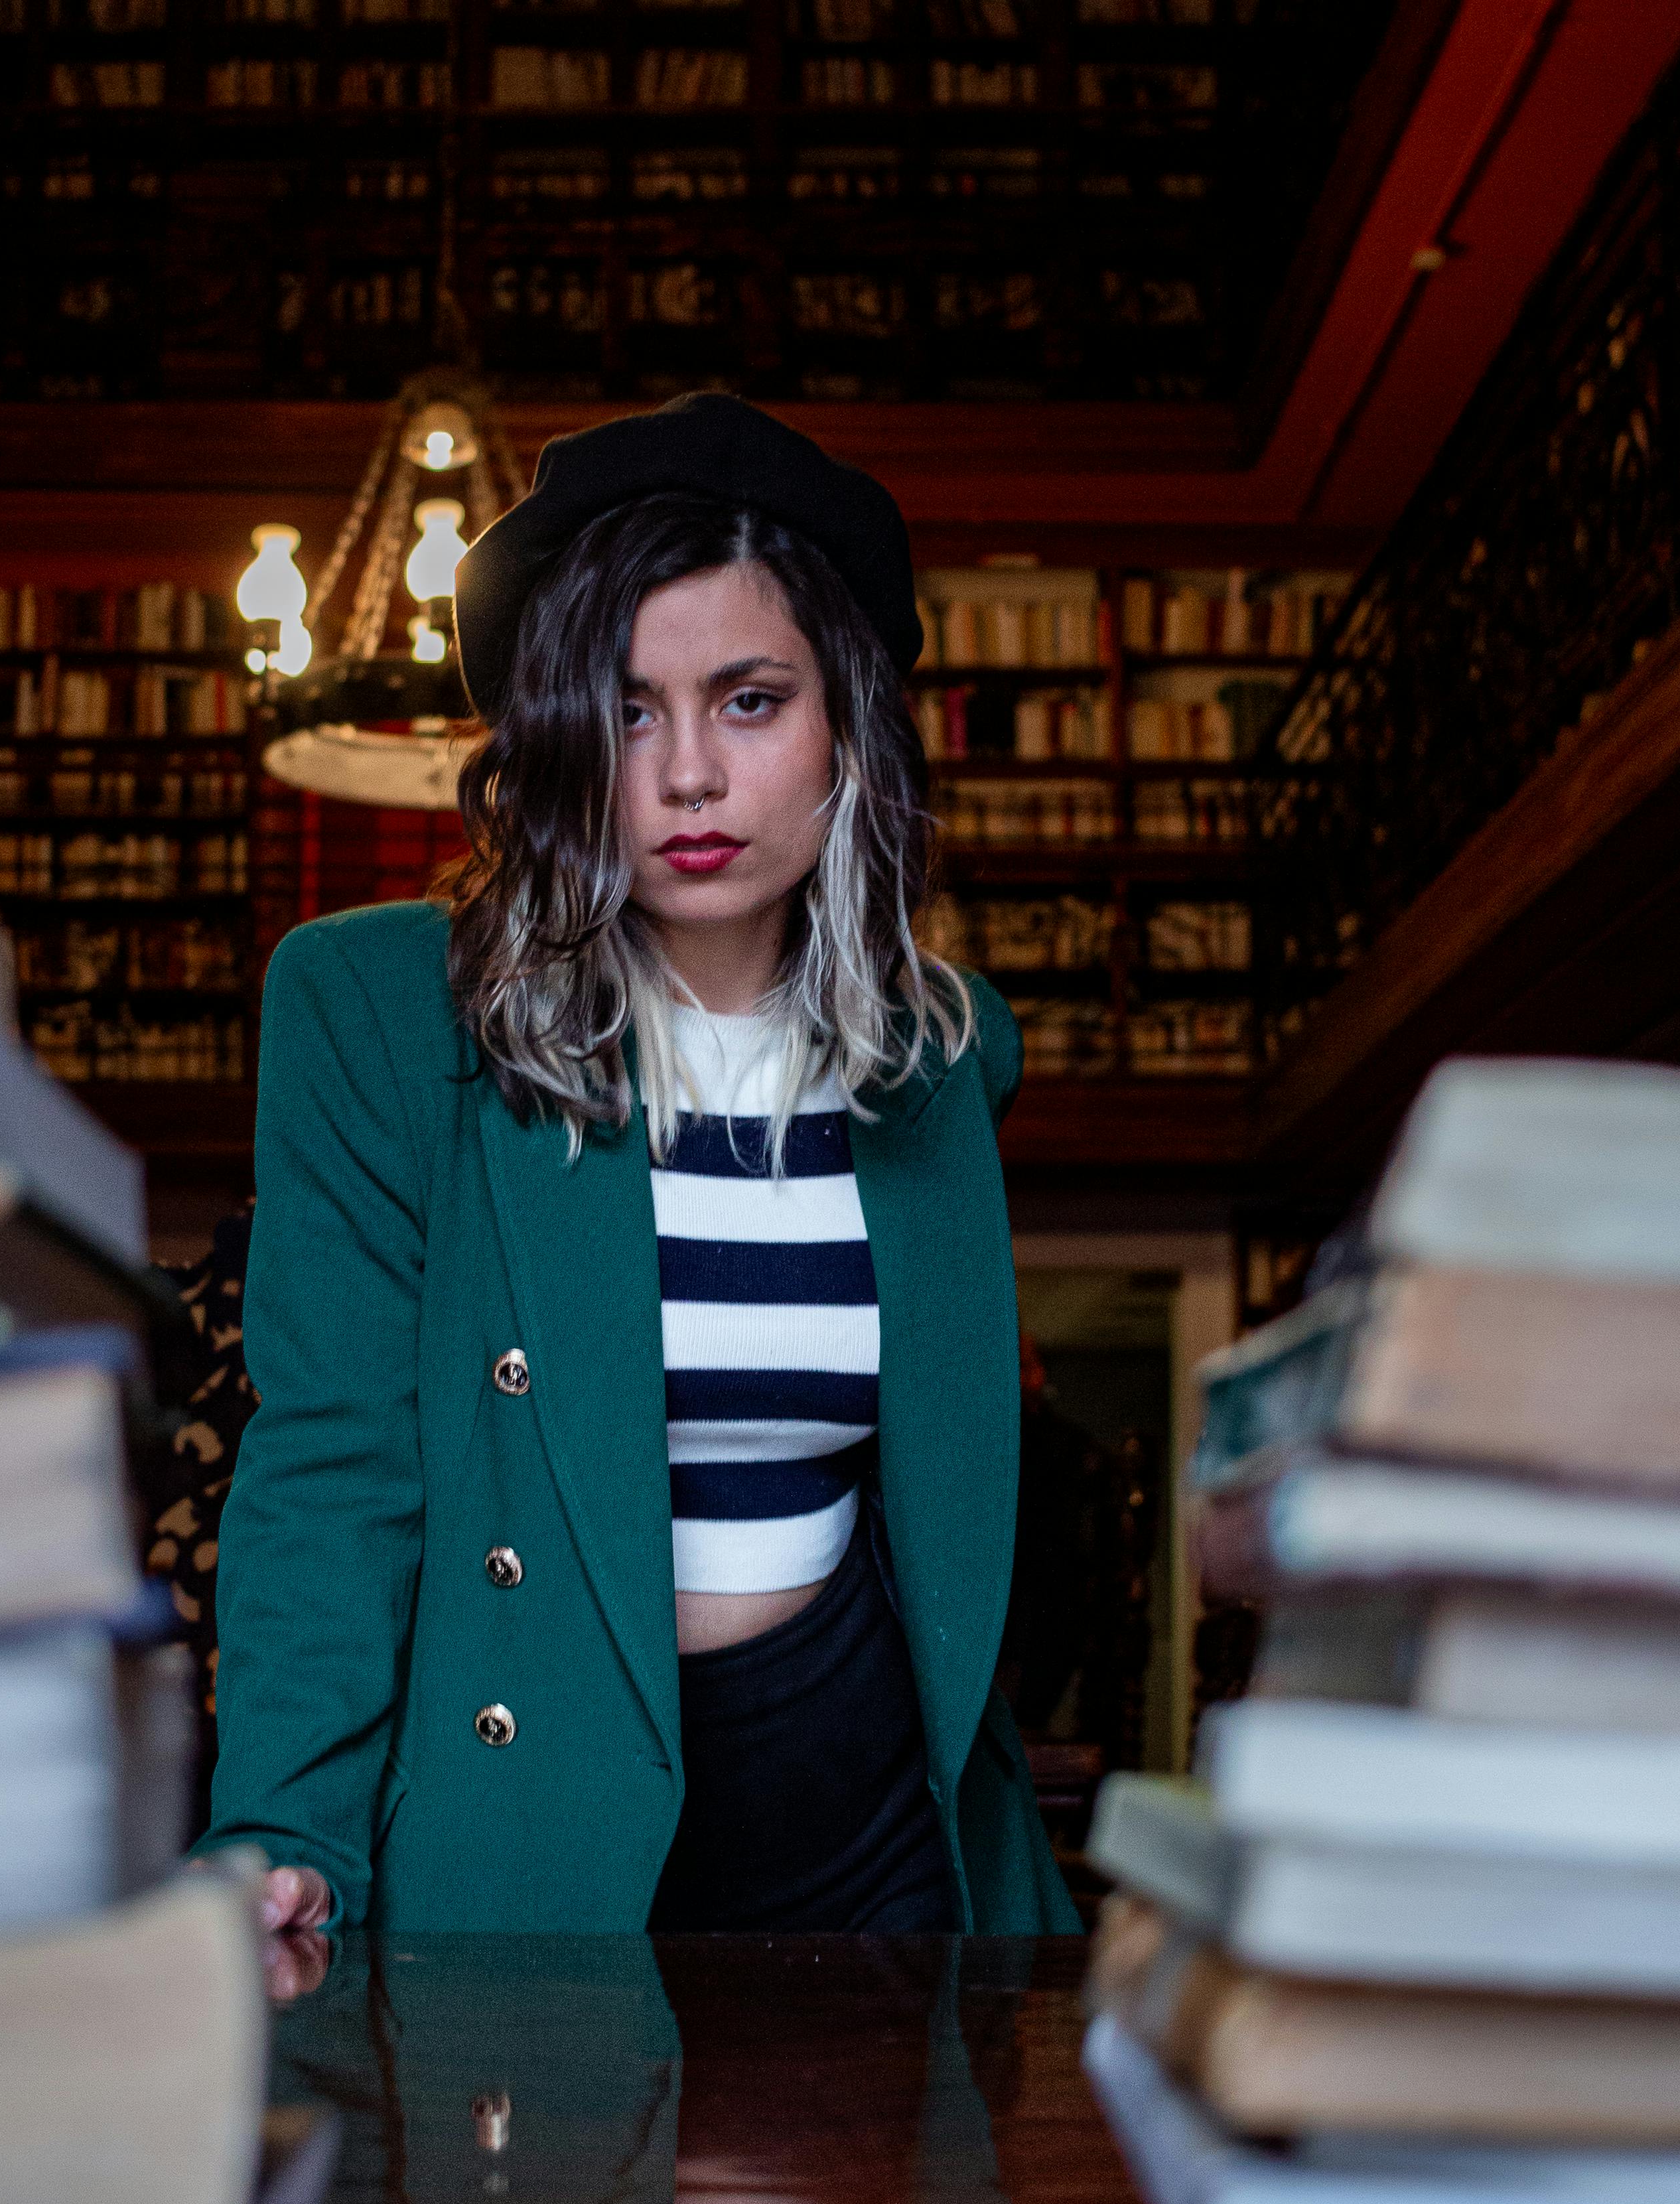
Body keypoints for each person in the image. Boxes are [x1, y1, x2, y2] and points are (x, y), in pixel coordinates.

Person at [208, 391, 1079, 1942]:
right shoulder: (381, 1016)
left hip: (868, 1818)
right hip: (528, 1797)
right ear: (551, 743)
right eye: (624, 710)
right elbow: (331, 1463)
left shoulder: (945, 1059)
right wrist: (282, 1826)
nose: (685, 774)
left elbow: (942, 1495)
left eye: (748, 701)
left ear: (842, 729)